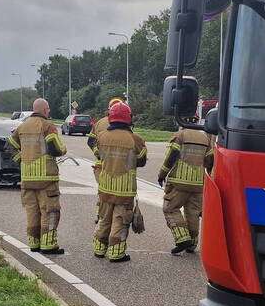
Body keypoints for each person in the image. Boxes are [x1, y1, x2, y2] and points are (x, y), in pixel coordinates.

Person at [8, 97, 67, 254]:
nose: (48, 112)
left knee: (32, 212)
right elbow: (55, 148)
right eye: (47, 109)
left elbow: (10, 146)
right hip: (46, 178)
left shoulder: (22, 127)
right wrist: (63, 150)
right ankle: (49, 245)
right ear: (44, 110)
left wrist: (21, 160)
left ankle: (34, 244)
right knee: (50, 211)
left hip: (27, 178)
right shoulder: (48, 126)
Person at [92, 102, 147, 263]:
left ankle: (99, 249)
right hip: (124, 190)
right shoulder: (135, 140)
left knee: (104, 218)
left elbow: (98, 154)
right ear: (128, 118)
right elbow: (141, 161)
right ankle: (116, 253)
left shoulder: (102, 137)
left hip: (105, 187)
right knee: (120, 221)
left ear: (111, 118)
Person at [158, 117, 215, 255]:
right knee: (193, 213)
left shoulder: (179, 136)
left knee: (170, 208)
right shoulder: (205, 139)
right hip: (198, 184)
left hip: (179, 182)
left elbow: (171, 158)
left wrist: (162, 174)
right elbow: (210, 161)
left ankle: (182, 239)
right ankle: (192, 244)